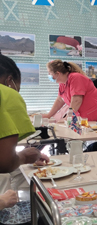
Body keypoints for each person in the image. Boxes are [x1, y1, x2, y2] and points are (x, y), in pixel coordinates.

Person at [0, 54, 49, 223]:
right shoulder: (6, 94)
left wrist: (25, 158)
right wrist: (2, 201)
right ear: (9, 80)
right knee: (46, 214)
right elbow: (4, 163)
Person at [42, 59, 97, 125]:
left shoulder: (76, 77)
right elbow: (60, 100)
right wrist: (49, 115)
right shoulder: (63, 82)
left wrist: (68, 117)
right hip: (86, 117)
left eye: (49, 73)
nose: (49, 75)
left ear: (58, 73)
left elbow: (77, 100)